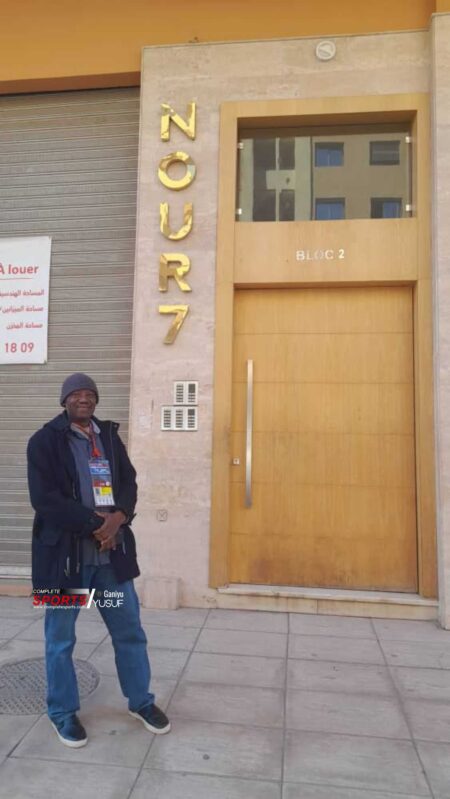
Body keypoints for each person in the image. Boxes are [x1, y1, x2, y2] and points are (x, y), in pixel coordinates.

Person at [27, 372, 170, 747]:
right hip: (66, 564)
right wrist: (96, 525)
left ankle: (141, 702)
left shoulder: (107, 436)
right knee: (60, 640)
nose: (84, 399)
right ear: (64, 401)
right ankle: (62, 712)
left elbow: (128, 483)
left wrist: (118, 518)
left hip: (112, 562)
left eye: (90, 393)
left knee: (130, 633)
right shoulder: (44, 441)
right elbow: (45, 500)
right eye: (76, 394)